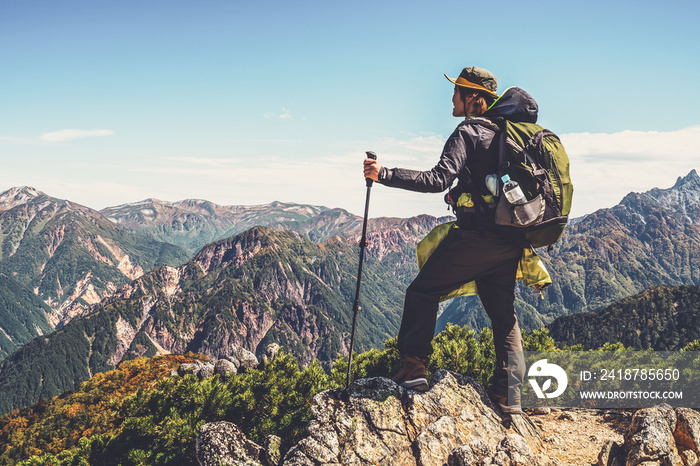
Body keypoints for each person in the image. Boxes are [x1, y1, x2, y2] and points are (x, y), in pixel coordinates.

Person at [363, 66, 538, 414]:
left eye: (457, 90)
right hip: (511, 239)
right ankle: (510, 393)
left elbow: (436, 179)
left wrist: (384, 174)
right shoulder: (508, 134)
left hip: (477, 238)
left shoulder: (469, 131)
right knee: (504, 316)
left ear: (473, 96)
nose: (452, 97)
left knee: (422, 291)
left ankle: (414, 369)